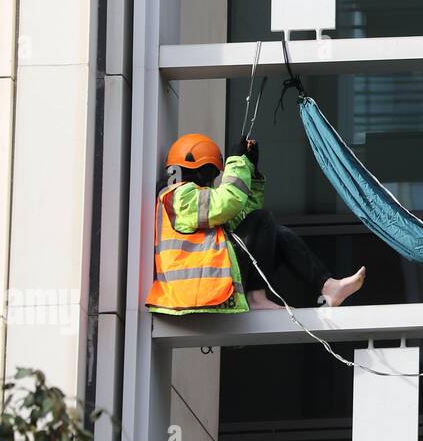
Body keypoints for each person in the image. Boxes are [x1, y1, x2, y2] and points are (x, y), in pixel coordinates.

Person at [147, 133, 365, 315]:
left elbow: (243, 217)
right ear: (197, 170)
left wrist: (250, 169)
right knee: (263, 219)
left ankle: (329, 287)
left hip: (206, 285)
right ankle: (256, 298)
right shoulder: (176, 196)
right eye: (210, 173)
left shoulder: (195, 200)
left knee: (278, 234)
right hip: (192, 291)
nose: (211, 180)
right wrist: (237, 162)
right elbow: (229, 203)